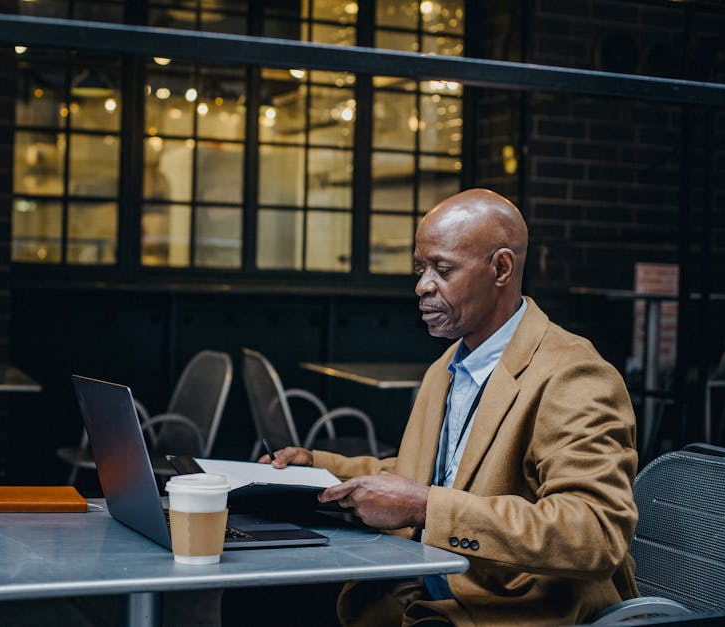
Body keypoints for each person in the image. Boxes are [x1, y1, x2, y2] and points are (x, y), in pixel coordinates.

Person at [261, 188, 640, 626]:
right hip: (426, 590)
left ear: (501, 268)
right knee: (260, 596)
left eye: (442, 270)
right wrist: (318, 468)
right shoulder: (450, 365)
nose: (422, 286)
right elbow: (433, 474)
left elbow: (593, 531)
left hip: (513, 610)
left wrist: (426, 507)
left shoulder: (574, 376)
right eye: (420, 269)